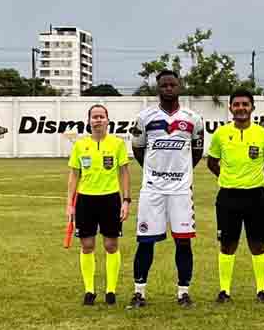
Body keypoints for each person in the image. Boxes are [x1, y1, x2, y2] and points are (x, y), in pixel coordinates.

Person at [130, 70, 204, 308]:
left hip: (181, 191)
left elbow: (197, 151)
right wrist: (154, 172)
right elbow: (138, 149)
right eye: (164, 85)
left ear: (179, 87)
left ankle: (183, 293)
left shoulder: (193, 118)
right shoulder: (144, 118)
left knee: (183, 242)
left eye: (172, 84)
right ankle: (139, 292)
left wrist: (182, 174)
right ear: (158, 88)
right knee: (145, 241)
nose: (168, 88)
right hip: (152, 190)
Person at [207, 89, 264, 304]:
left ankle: (261, 290)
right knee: (227, 244)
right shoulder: (221, 134)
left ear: (252, 107)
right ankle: (224, 290)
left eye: (245, 104)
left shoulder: (263, 134)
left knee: (257, 244)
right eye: (237, 104)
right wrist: (228, 178)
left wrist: (257, 178)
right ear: (230, 108)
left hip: (257, 196)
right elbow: (212, 162)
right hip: (228, 197)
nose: (241, 108)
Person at [66, 104, 131, 306]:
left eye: (101, 116)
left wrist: (126, 200)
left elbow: (124, 173)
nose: (98, 120)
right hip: (85, 200)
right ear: (89, 121)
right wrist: (70, 204)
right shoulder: (80, 145)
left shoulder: (117, 144)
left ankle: (111, 290)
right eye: (94, 117)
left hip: (110, 199)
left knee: (111, 245)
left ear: (107, 120)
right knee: (87, 245)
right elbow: (74, 175)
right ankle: (89, 290)